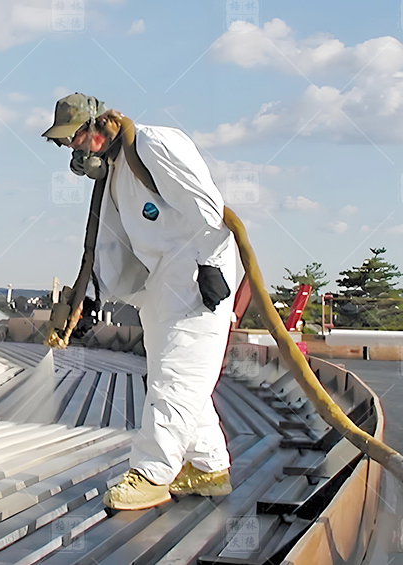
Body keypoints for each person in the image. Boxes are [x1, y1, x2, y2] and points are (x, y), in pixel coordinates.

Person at [41, 93, 237, 511]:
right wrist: (92, 298)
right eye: (65, 146)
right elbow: (110, 247)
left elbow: (205, 204)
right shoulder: (115, 174)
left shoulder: (150, 146)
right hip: (163, 282)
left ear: (96, 127)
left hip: (195, 275)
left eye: (74, 140)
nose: (72, 152)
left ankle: (151, 472)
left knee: (174, 377)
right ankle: (209, 466)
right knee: (180, 378)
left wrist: (211, 264)